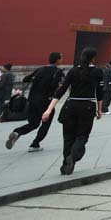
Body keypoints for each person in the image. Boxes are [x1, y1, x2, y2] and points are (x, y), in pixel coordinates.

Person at [41, 47, 104, 175]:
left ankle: (65, 166)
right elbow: (100, 93)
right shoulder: (98, 72)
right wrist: (100, 110)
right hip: (87, 106)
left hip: (70, 106)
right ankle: (73, 157)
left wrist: (48, 109)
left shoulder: (73, 71)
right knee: (82, 136)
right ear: (93, 58)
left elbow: (61, 91)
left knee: (68, 138)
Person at [6, 52, 64, 152]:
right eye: (61, 58)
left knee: (33, 123)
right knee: (45, 125)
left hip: (32, 101)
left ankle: (17, 132)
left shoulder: (40, 69)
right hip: (46, 102)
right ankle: (35, 144)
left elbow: (25, 79)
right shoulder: (58, 72)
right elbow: (56, 86)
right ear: (58, 60)